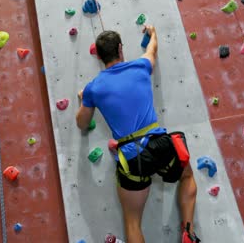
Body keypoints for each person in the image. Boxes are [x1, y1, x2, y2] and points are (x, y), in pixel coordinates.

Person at [75, 26, 200, 243]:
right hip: (159, 143)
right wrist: (152, 33)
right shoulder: (141, 66)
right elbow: (152, 50)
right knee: (187, 176)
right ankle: (188, 232)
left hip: (132, 158)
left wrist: (85, 99)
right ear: (121, 49)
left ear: (100, 57)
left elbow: (82, 123)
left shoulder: (93, 88)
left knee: (132, 221)